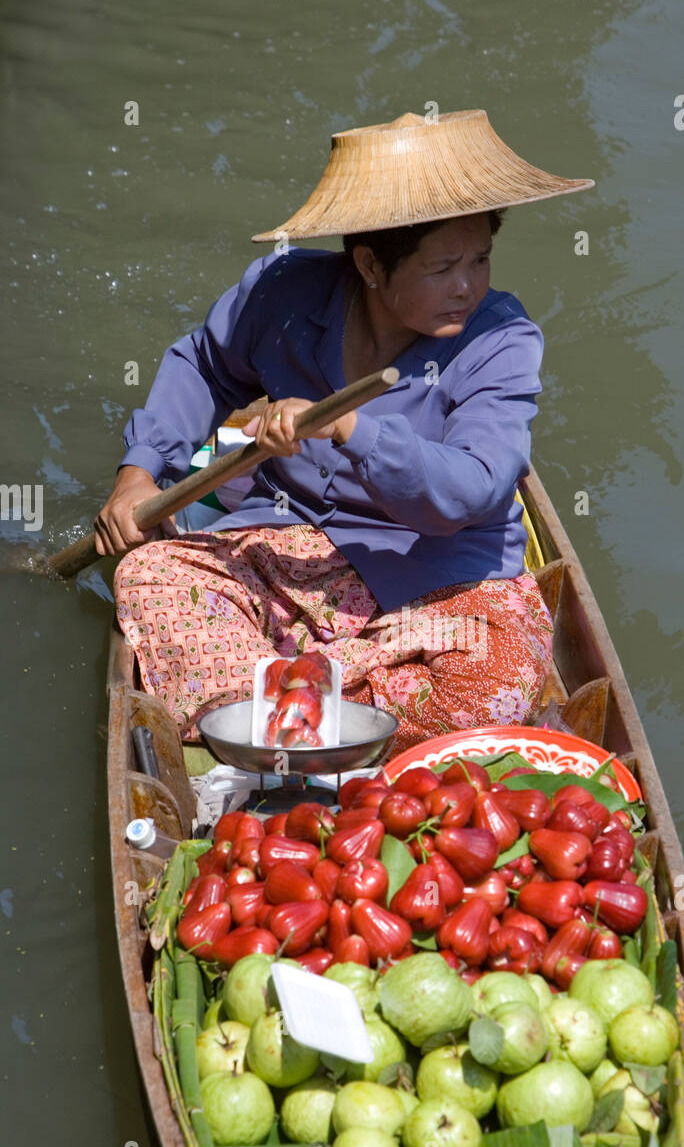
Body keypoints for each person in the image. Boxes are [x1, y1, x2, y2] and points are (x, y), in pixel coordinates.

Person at [98, 110, 594, 753]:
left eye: (481, 259)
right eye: (443, 267)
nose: (468, 286)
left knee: (493, 675)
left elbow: (473, 488)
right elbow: (204, 365)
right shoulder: (282, 292)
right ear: (369, 265)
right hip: (290, 552)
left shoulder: (502, 338)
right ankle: (337, 701)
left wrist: (349, 427)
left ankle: (273, 703)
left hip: (440, 580)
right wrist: (139, 474)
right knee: (150, 575)